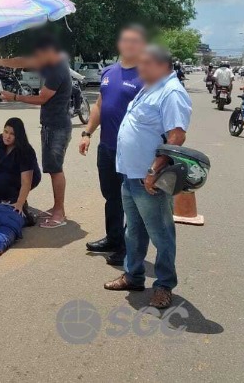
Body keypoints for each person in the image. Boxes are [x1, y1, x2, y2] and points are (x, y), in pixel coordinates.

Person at [103, 45, 191, 310]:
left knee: (161, 233)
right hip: (131, 175)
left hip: (149, 177)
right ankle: (133, 275)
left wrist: (153, 171)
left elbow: (176, 137)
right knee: (134, 231)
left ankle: (164, 285)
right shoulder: (150, 87)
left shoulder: (172, 92)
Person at [79, 24, 146, 265]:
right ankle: (114, 238)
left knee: (131, 200)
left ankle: (130, 247)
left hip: (130, 151)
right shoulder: (108, 72)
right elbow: (99, 105)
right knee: (111, 196)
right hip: (106, 147)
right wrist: (87, 132)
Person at [0, 35, 73, 228]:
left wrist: (13, 97)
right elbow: (24, 61)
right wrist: (0, 61)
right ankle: (57, 208)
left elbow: (42, 98)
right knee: (52, 167)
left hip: (57, 126)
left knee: (55, 169)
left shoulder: (57, 70)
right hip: (50, 124)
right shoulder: (50, 61)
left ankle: (59, 212)